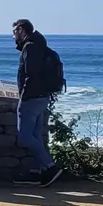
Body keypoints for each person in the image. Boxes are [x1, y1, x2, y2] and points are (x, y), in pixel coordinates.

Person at [11, 18, 65, 185]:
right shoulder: (39, 45)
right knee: (36, 136)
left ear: (21, 30)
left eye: (14, 32)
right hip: (42, 97)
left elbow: (30, 74)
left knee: (25, 137)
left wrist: (24, 95)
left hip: (32, 98)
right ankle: (36, 172)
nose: (13, 36)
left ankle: (50, 166)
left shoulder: (31, 47)